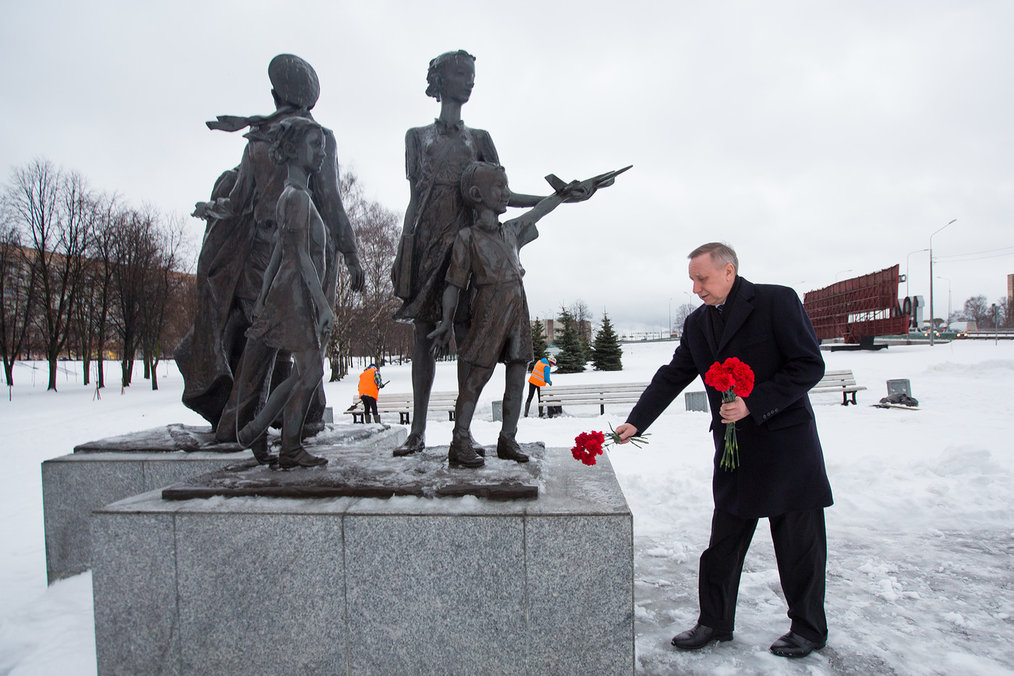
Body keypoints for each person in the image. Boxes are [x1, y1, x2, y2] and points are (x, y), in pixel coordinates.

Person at [614, 242, 833, 659]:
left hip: (786, 445)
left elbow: (808, 365)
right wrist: (637, 420)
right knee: (723, 543)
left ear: (729, 271)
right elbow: (673, 374)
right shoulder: (698, 324)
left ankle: (808, 628)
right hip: (736, 451)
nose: (696, 288)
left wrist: (755, 401)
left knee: (798, 543)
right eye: (692, 281)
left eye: (702, 279)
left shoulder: (776, 300)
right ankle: (714, 622)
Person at [390, 50, 594, 458]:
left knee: (471, 340)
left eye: (472, 75)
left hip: (473, 247)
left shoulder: (479, 139)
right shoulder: (417, 137)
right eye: (462, 73)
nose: (469, 81)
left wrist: (559, 198)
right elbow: (415, 200)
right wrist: (404, 254)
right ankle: (417, 431)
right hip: (429, 247)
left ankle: (461, 434)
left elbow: (503, 192)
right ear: (440, 80)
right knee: (423, 337)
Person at [175, 54, 363, 461]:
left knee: (261, 344)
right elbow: (331, 203)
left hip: (262, 256)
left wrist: (213, 208)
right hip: (296, 257)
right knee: (292, 352)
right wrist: (350, 255)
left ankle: (248, 426)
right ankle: (265, 430)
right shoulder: (315, 138)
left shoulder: (259, 139)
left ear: (277, 92)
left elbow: (238, 202)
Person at [428, 162, 585, 467]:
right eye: (499, 187)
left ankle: (507, 439)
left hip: (518, 305)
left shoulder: (511, 230)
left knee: (517, 372)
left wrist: (565, 195)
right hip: (489, 307)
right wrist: (446, 322)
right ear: (477, 194)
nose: (506, 194)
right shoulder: (467, 238)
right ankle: (459, 441)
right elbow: (453, 285)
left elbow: (541, 210)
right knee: (478, 375)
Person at [231, 117, 335, 469]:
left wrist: (263, 295)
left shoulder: (293, 196)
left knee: (305, 372)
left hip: (288, 293)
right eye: (314, 145)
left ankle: (257, 429)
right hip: (296, 297)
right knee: (310, 372)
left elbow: (278, 250)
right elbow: (298, 254)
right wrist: (321, 305)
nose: (321, 153)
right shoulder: (296, 199)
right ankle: (286, 445)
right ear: (293, 150)